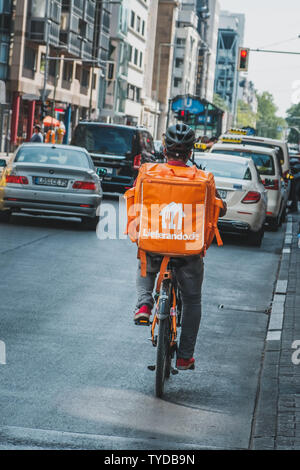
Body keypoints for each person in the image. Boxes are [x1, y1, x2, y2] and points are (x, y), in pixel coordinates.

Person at [133, 123, 227, 370]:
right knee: (193, 300)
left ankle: (144, 304)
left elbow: (134, 200)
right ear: (190, 152)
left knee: (144, 260)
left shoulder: (148, 171)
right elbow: (214, 212)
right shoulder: (204, 179)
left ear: (164, 149)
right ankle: (185, 357)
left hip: (155, 243)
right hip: (188, 251)